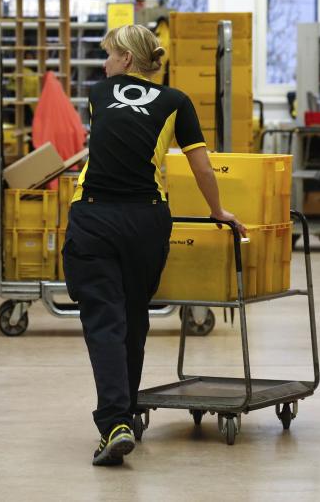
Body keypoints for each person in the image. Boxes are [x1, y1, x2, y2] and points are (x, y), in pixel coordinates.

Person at [61, 24, 247, 466]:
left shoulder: (98, 93)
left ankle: (116, 422)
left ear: (125, 59)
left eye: (109, 55)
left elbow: (108, 138)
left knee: (104, 320)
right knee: (132, 315)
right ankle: (125, 412)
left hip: (95, 215)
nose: (105, 63)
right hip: (147, 219)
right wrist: (218, 210)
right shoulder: (176, 101)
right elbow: (203, 166)